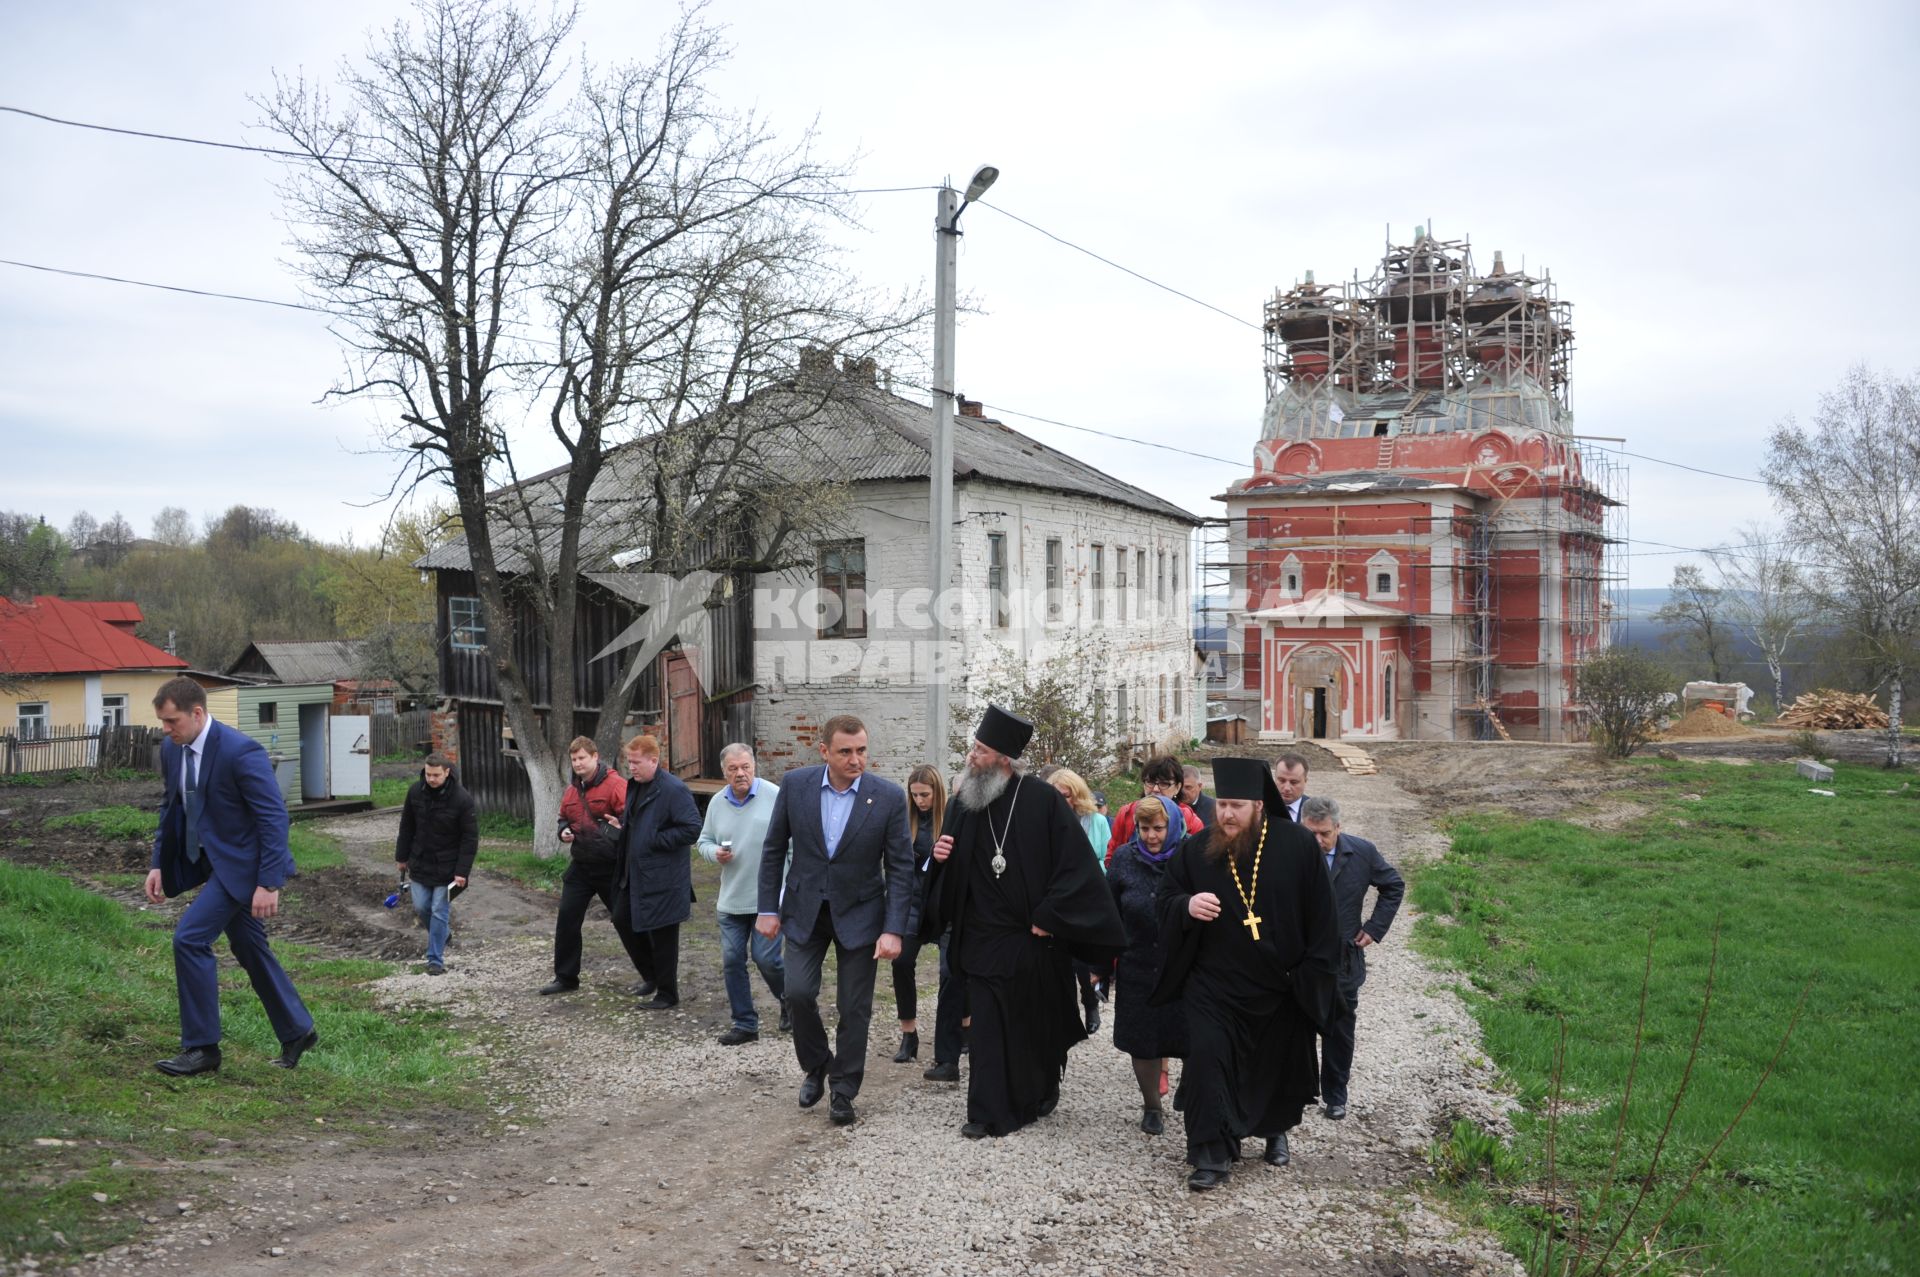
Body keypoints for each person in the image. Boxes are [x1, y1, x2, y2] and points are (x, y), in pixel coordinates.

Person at [924, 706, 1126, 1139]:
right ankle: (987, 1111)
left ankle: (1039, 1090)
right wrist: (940, 858)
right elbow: (951, 862)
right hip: (980, 934)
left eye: (980, 749)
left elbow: (1077, 869)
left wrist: (1051, 917)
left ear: (1003, 759)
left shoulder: (1042, 800)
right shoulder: (966, 799)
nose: (971, 756)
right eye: (974, 748)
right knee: (989, 1028)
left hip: (1033, 937)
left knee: (1035, 1020)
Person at [1151, 756, 1340, 1191]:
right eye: (1222, 806)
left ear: (1258, 806)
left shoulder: (1296, 845)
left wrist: (1311, 977)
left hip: (1278, 984)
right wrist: (1187, 906)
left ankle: (1274, 1131)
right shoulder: (1197, 851)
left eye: (1237, 806)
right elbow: (1166, 898)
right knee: (1206, 1060)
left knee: (1273, 1064)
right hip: (1211, 986)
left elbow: (1323, 920)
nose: (1227, 814)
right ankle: (1210, 1154)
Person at [143, 676, 318, 1076]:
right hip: (210, 862)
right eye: (162, 722)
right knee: (249, 946)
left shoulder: (240, 751)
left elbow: (274, 818)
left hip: (243, 866)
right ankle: (297, 1029)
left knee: (189, 939)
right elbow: (170, 810)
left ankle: (202, 1048)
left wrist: (268, 882)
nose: (166, 730)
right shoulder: (173, 752)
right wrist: (157, 863)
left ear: (198, 713)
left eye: (172, 722)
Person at [756, 715, 914, 1127]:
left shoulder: (888, 797)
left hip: (861, 914)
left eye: (861, 750)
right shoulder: (796, 785)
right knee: (797, 992)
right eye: (845, 751)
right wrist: (767, 908)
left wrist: (894, 928)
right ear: (824, 751)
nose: (856, 759)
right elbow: (774, 849)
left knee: (854, 1007)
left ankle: (843, 1090)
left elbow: (900, 868)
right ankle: (816, 1065)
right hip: (805, 910)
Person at [1299, 796, 1404, 1120]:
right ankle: (1300, 1090)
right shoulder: (1288, 854)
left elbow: (1393, 886)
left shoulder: (1361, 853)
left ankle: (1335, 1094)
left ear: (1338, 829)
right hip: (1300, 961)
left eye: (1324, 834)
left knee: (1339, 1030)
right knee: (1297, 1028)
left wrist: (1374, 928)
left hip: (1343, 960)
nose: (1317, 841)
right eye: (1310, 833)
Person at [542, 737, 652, 996]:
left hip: (612, 866)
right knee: (567, 917)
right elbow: (562, 819)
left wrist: (619, 828)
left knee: (625, 921)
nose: (578, 763)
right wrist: (564, 831)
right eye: (574, 759)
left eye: (582, 758)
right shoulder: (571, 790)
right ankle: (566, 978)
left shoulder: (616, 785)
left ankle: (653, 976)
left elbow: (634, 820)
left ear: (595, 757)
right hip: (581, 866)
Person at [697, 743, 789, 1044]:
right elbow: (703, 841)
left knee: (767, 960)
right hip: (731, 899)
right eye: (733, 769)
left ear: (754, 766)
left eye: (745, 767)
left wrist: (787, 889)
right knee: (732, 960)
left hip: (768, 901)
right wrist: (714, 854)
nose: (740, 774)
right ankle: (745, 1023)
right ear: (724, 772)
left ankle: (791, 1001)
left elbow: (794, 845)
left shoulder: (774, 796)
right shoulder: (717, 803)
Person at [1107, 794, 1188, 1136]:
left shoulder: (1190, 857)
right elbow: (1109, 911)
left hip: (1183, 965)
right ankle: (1152, 1105)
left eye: (1158, 828)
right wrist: (1104, 963)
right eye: (1144, 829)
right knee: (1142, 1040)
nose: (1152, 836)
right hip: (1137, 964)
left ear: (1171, 826)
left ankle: (1193, 1091)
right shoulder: (1125, 858)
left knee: (1191, 1036)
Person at [616, 734, 703, 1010]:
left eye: (636, 762)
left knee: (664, 935)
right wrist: (621, 826)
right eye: (629, 762)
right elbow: (638, 820)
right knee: (622, 919)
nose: (631, 767)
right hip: (635, 872)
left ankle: (667, 993)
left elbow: (692, 828)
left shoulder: (672, 789)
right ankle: (652, 977)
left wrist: (654, 838)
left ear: (654, 760)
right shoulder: (635, 785)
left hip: (664, 876)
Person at [394, 752, 477, 975]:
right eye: (428, 774)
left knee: (439, 910)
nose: (431, 779)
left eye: (436, 775)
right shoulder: (415, 793)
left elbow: (469, 838)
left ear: (447, 772)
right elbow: (407, 827)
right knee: (422, 907)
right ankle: (443, 934)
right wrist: (402, 858)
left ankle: (435, 960)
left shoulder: (462, 799)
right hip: (420, 862)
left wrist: (462, 871)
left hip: (448, 867)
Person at [888, 765, 948, 1064]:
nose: (920, 800)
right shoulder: (904, 820)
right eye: (914, 795)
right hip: (912, 903)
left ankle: (963, 1025)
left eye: (925, 794)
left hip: (942, 904)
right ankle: (908, 1033)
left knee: (951, 970)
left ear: (936, 793)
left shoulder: (950, 820)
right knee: (901, 962)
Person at [1050, 766, 1111, 1033]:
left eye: (1067, 795)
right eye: (1058, 795)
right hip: (1056, 895)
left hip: (1085, 894)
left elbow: (1107, 857)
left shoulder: (1094, 821)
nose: (1064, 801)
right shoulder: (1044, 818)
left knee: (1081, 959)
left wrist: (1084, 870)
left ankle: (1090, 1002)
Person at [1105, 755, 1204, 862]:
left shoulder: (1191, 822)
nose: (1156, 789)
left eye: (1164, 783)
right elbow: (1112, 856)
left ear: (1178, 787)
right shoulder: (1127, 813)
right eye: (1150, 782)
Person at [1272, 753, 1312, 822]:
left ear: (1305, 781)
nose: (1286, 788)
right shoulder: (1260, 808)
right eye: (1282, 780)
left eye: (1294, 782)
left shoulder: (1315, 810)